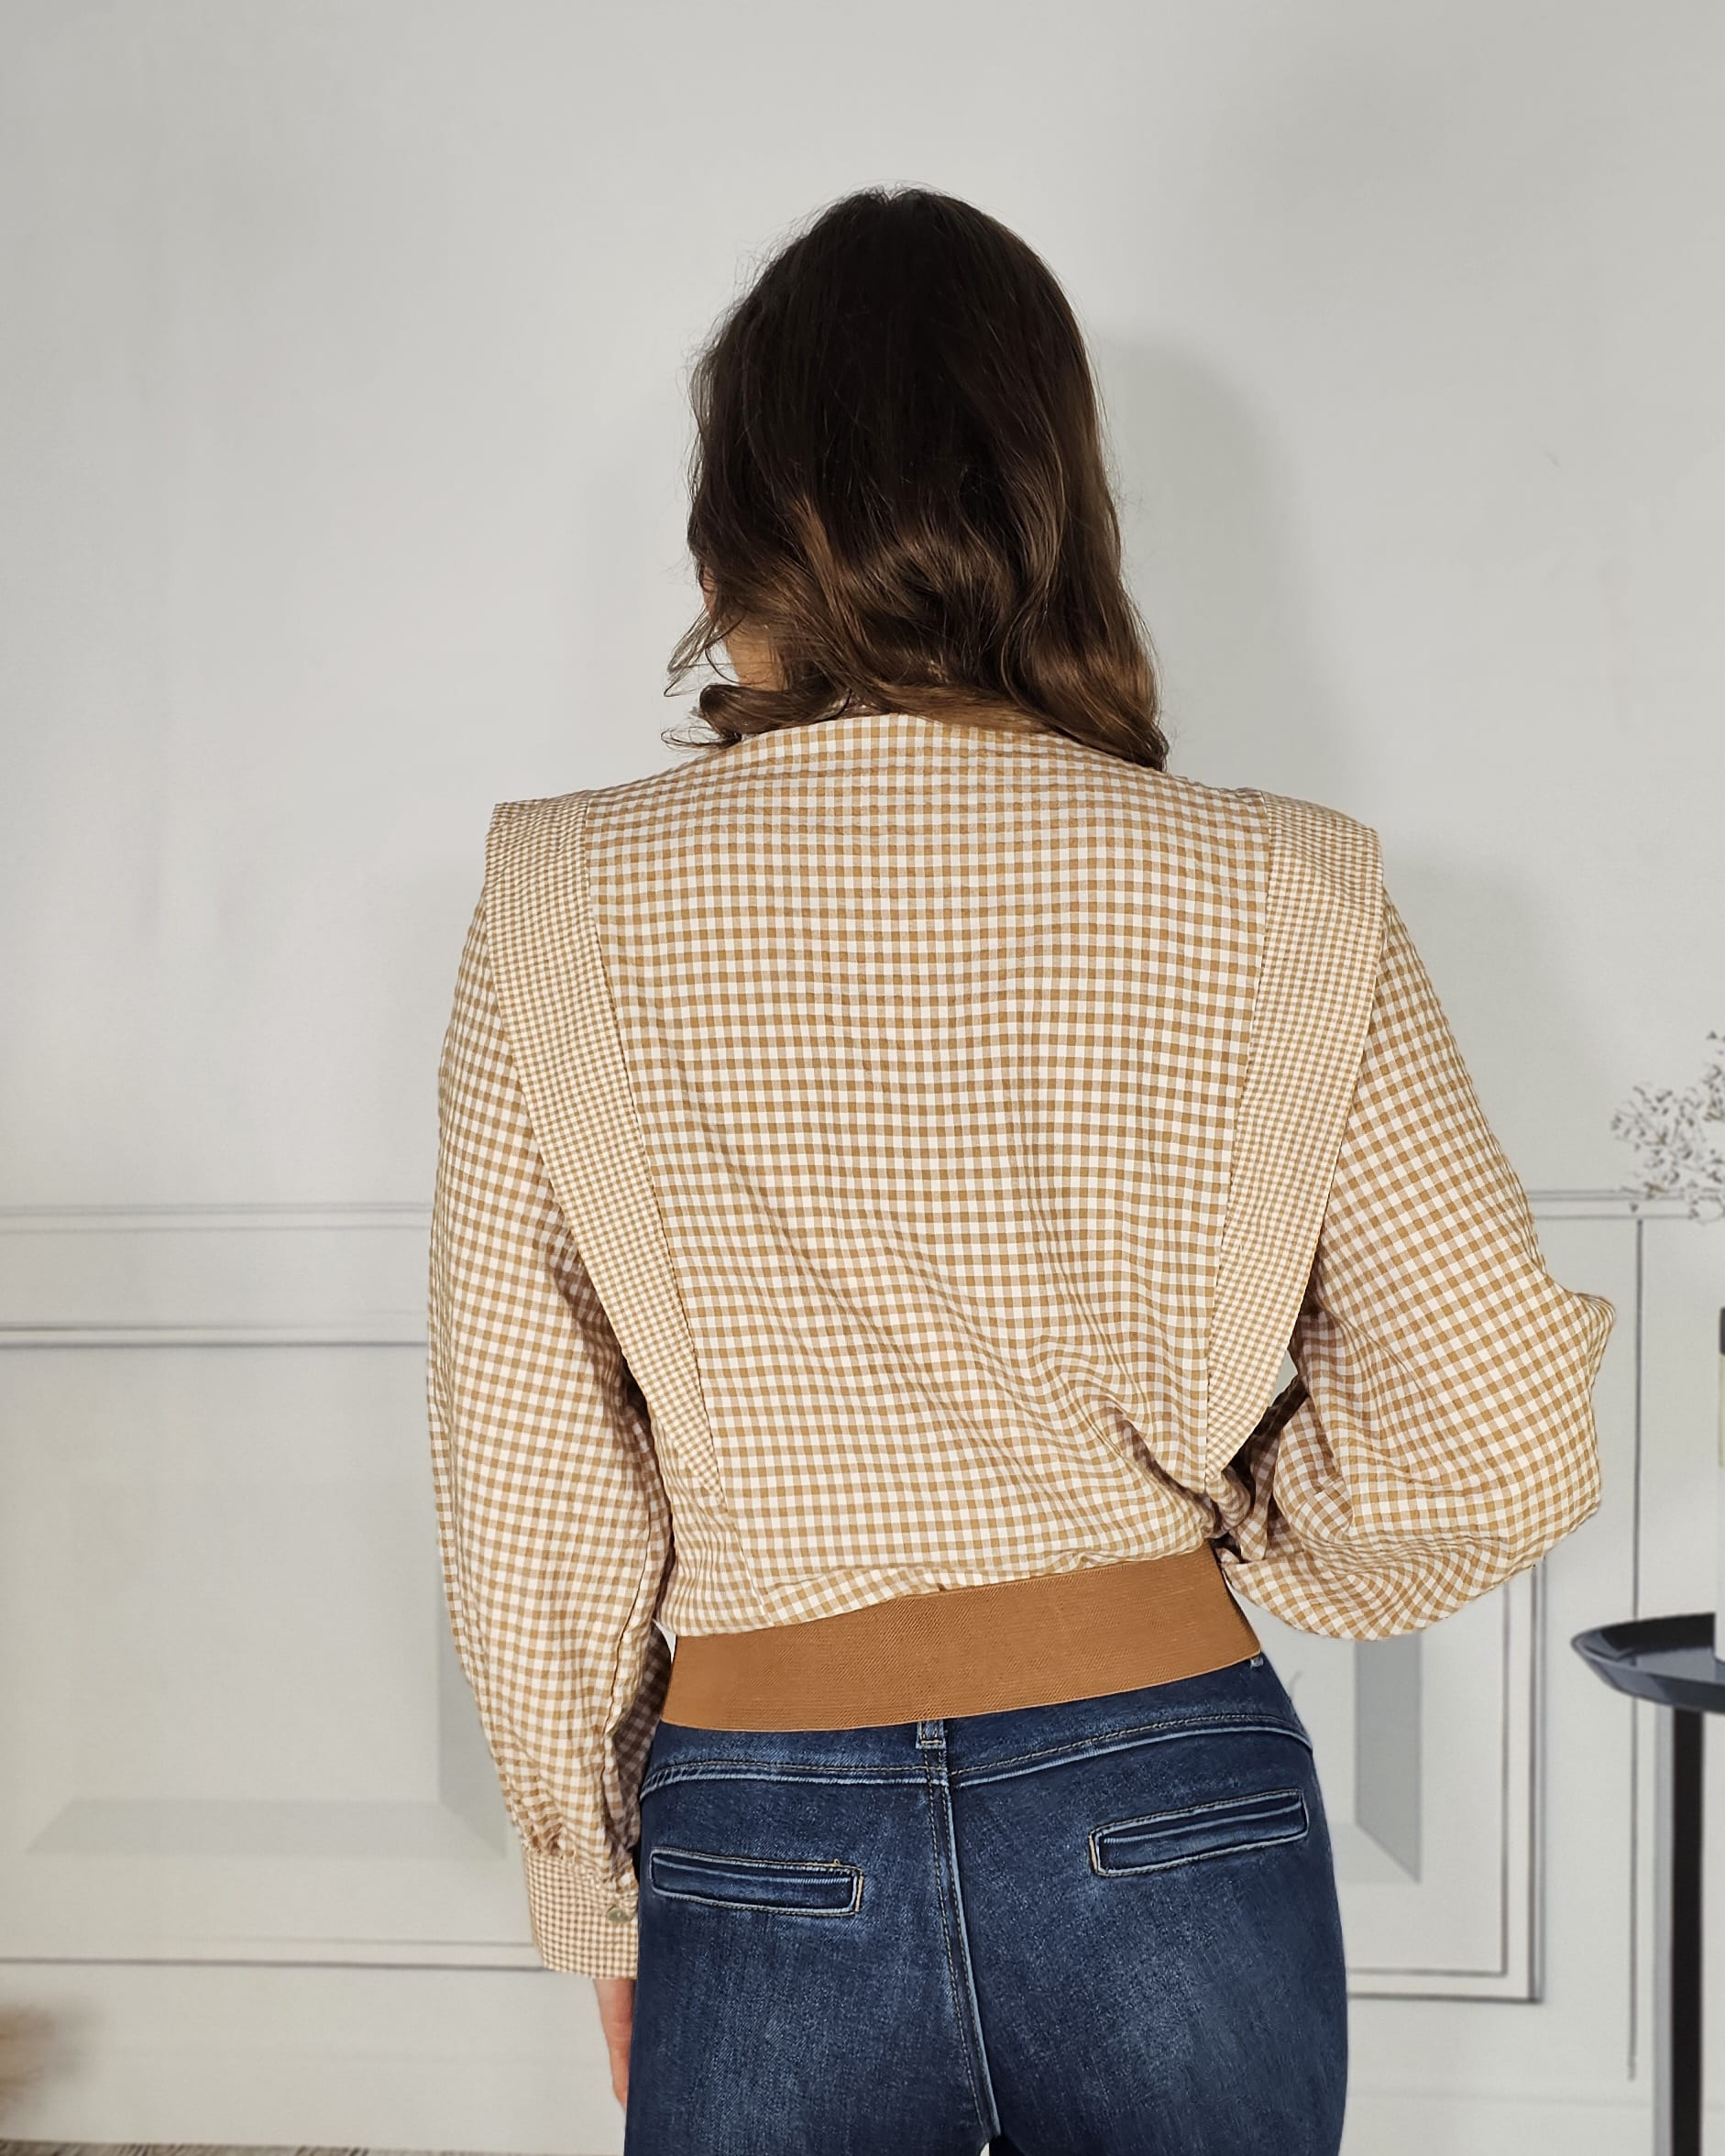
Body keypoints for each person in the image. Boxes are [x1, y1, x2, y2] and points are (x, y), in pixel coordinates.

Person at [426, 187, 1613, 2156]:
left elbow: (532, 1472)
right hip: (1174, 1794)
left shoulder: (561, 895)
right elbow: (1491, 1428)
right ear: (1055, 503)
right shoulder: (1284, 887)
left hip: (762, 1811)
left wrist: (592, 1883)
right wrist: (1229, 1541)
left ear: (738, 520)